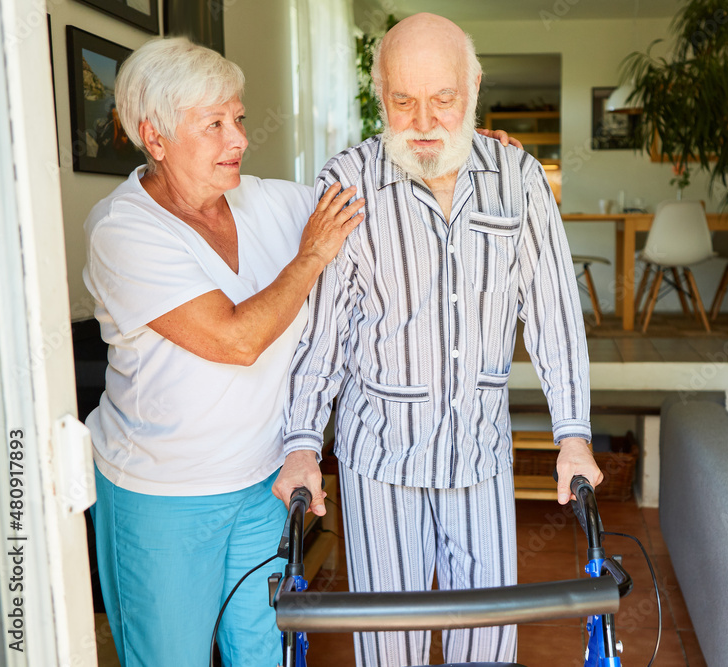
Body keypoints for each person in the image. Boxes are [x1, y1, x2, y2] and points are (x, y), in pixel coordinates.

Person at [83, 36, 520, 667]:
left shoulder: (267, 201)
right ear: (155, 138)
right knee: (169, 657)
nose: (238, 139)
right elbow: (236, 338)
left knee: (263, 653)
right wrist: (311, 255)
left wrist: (467, 155)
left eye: (238, 118)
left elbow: (382, 194)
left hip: (264, 486)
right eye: (214, 125)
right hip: (165, 497)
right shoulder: (122, 229)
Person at [278, 13, 604, 666]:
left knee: (487, 644)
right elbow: (323, 331)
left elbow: (553, 311)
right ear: (380, 97)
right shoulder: (347, 183)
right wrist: (302, 444)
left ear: (474, 87)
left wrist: (572, 433)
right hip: (381, 462)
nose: (423, 121)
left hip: (480, 459)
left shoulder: (519, 178)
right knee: (387, 648)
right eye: (403, 101)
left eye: (443, 99)